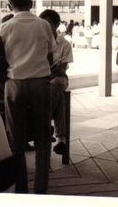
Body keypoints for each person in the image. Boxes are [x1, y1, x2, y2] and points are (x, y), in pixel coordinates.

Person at [0, 0, 54, 194]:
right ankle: (40, 189)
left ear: (9, 5)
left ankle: (21, 188)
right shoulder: (44, 25)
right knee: (42, 137)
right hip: (40, 83)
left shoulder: (5, 28)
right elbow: (51, 56)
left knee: (16, 139)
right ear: (31, 3)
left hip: (15, 84)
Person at [39, 9, 73, 155]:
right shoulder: (37, 41)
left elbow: (62, 69)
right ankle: (61, 139)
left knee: (56, 84)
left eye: (47, 24)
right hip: (44, 79)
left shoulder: (64, 44)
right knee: (58, 96)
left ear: (56, 25)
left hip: (57, 79)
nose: (44, 27)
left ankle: (42, 127)